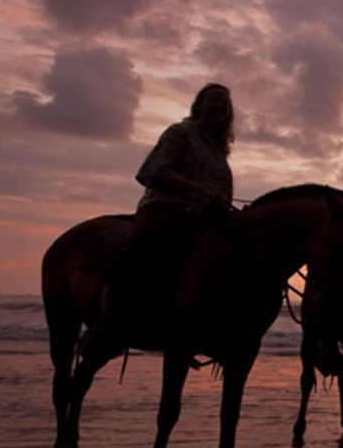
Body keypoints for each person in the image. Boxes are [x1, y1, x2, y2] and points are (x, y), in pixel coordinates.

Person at [80, 83, 235, 359]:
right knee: (144, 257)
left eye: (224, 103)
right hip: (167, 210)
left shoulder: (219, 150)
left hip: (206, 220)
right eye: (213, 101)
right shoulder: (181, 133)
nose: (219, 107)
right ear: (199, 106)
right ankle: (108, 325)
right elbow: (153, 171)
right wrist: (201, 191)